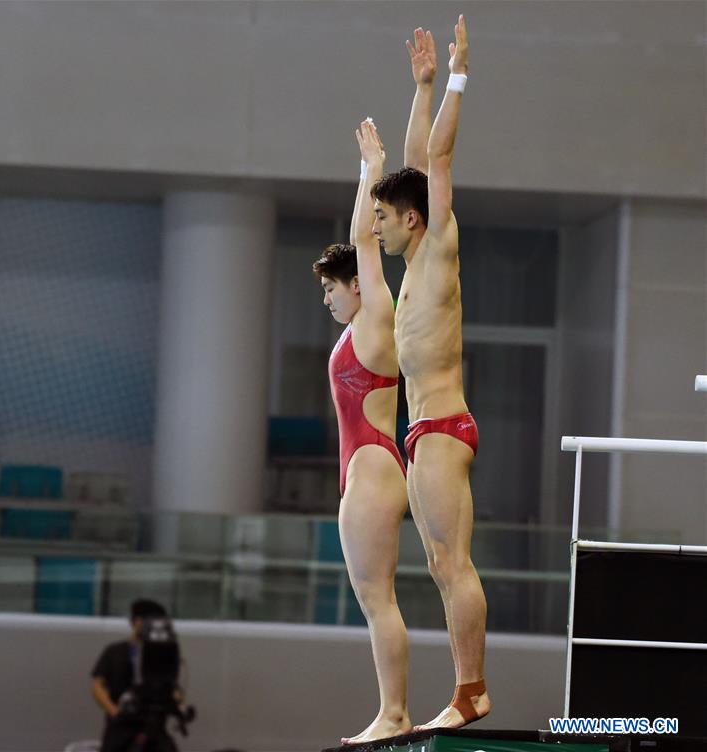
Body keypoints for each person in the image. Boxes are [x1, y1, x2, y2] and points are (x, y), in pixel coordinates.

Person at [369, 16, 490, 729]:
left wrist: (457, 78)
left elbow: (436, 159)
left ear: (413, 220)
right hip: (421, 432)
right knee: (441, 568)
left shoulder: (438, 242)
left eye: (384, 218)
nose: (376, 227)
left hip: (443, 426)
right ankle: (464, 689)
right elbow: (417, 161)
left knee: (454, 563)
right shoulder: (416, 259)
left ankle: (471, 691)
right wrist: (420, 87)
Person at [313, 120, 411, 743]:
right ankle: (391, 710)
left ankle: (394, 713)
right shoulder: (357, 329)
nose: (327, 298)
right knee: (375, 601)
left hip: (373, 465)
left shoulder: (377, 315)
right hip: (366, 467)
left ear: (358, 284)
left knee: (379, 601)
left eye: (332, 287)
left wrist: (370, 170)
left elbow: (360, 240)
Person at [91, 599, 187, 752]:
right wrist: (115, 712)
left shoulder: (161, 654)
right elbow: (98, 686)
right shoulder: (115, 651)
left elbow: (172, 687)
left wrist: (180, 706)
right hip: (121, 731)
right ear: (136, 622)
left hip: (155, 730)